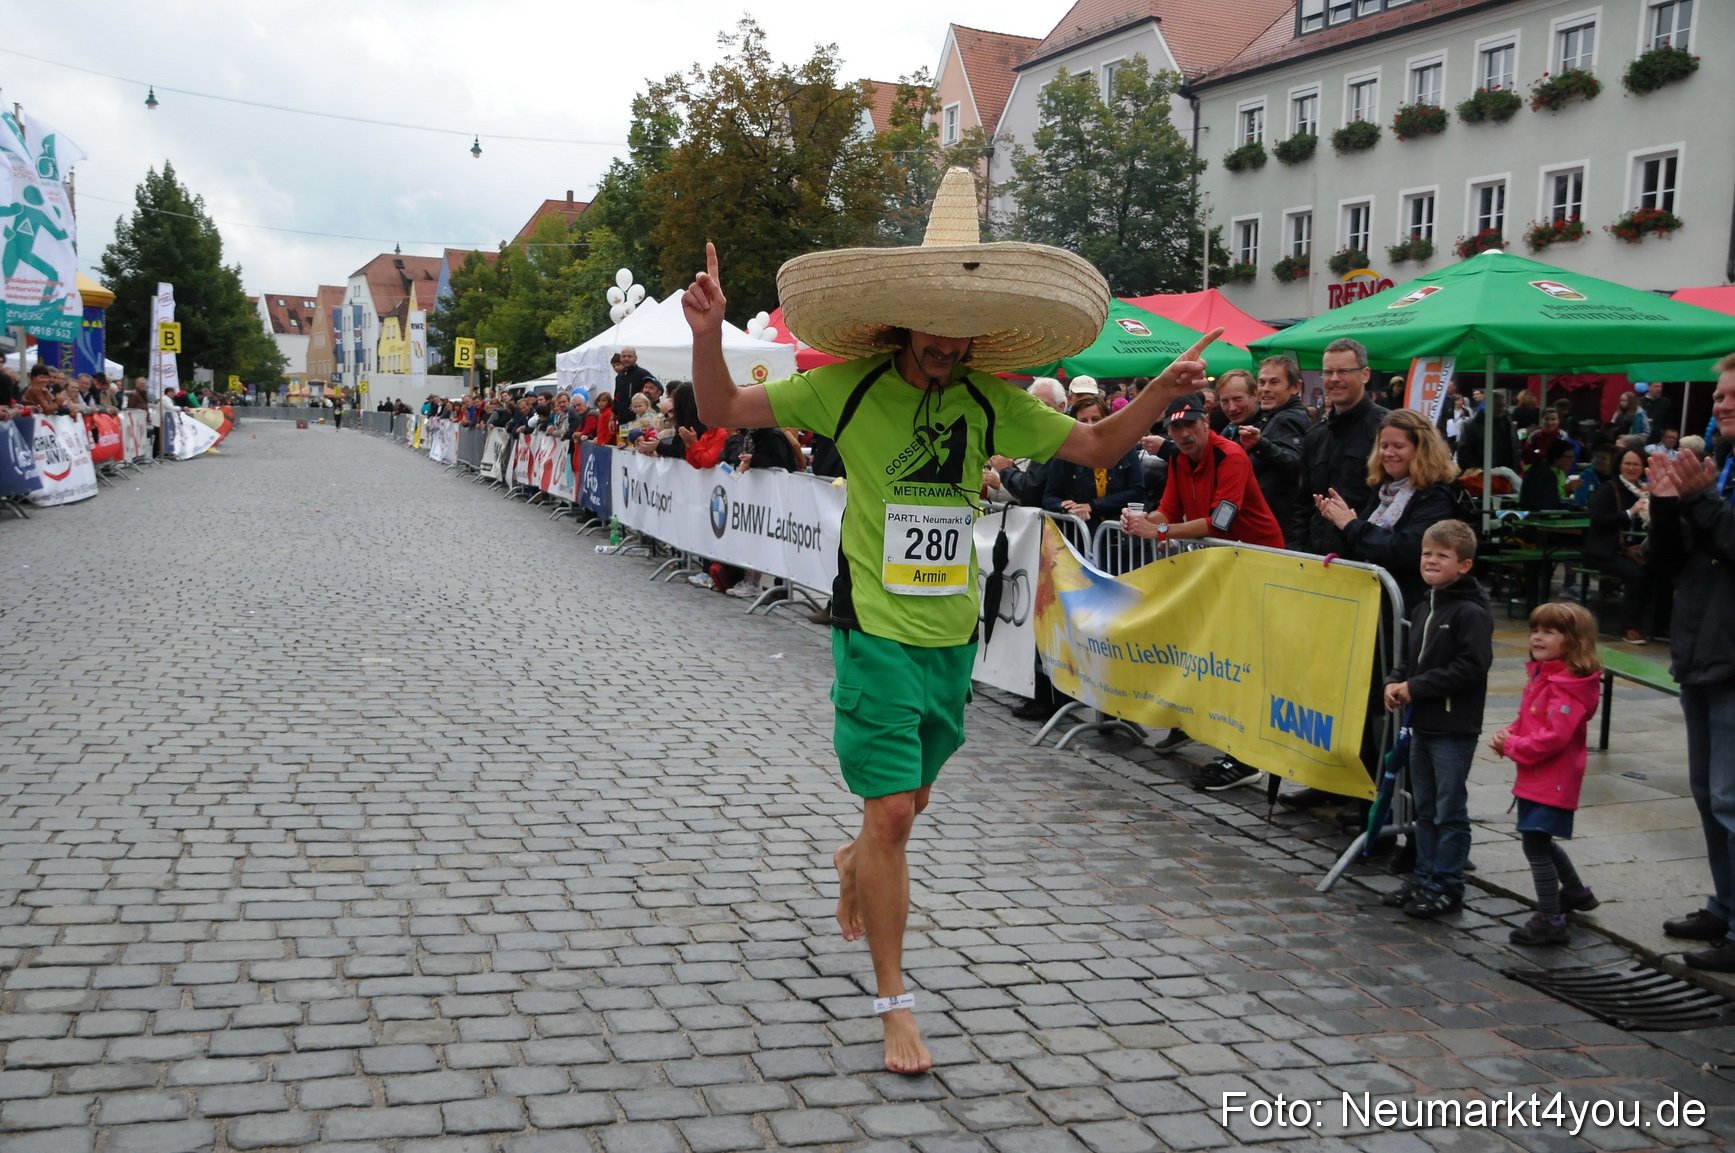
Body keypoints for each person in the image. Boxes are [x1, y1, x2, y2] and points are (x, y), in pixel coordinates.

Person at [681, 167, 1216, 1072]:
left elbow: (1093, 445)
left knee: (907, 806)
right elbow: (722, 409)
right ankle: (895, 1003)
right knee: (893, 812)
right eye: (934, 323)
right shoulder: (845, 387)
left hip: (950, 636)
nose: (947, 342)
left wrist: (1158, 394)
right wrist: (707, 337)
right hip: (873, 630)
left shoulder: (987, 398)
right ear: (902, 319)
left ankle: (856, 859)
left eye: (963, 328)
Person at [1648, 365, 1735, 969]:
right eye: (1719, 395)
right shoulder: (1720, 465)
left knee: (1730, 796)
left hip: (1730, 657)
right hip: (1703, 648)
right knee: (1708, 794)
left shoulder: (1714, 479)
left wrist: (1699, 500)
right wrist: (1664, 506)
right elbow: (1673, 562)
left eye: (1731, 396)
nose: (1720, 404)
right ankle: (1723, 906)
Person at [1381, 520, 1494, 918]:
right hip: (1421, 723)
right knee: (1424, 809)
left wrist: (1417, 687)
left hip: (1452, 727)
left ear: (1464, 565)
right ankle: (1424, 876)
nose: (1431, 560)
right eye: (1427, 553)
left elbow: (1471, 667)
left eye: (1442, 555)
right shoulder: (1425, 605)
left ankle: (1448, 884)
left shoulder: (1470, 612)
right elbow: (1412, 660)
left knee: (1449, 811)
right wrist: (1395, 681)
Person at [1492, 602, 1603, 947]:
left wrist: (1513, 745)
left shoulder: (1565, 687)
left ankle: (1551, 919)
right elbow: (1530, 719)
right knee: (1539, 838)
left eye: (1549, 632)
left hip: (1553, 778)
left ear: (1573, 641)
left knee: (1535, 843)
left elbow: (1554, 737)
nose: (1537, 637)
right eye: (1535, 630)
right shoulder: (1544, 676)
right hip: (1536, 775)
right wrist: (1509, 733)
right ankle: (1576, 892)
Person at [1313, 408, 1459, 614]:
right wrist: (1338, 521)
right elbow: (1363, 544)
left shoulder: (1435, 497)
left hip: (1410, 608)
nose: (1388, 453)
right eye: (1383, 446)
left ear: (1422, 450)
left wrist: (1351, 525)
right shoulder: (1383, 490)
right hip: (1375, 607)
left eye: (1398, 446)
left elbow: (1405, 549)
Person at [1122, 392, 1285, 549]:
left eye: (1190, 424)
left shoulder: (1231, 456)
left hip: (1259, 551)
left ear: (1206, 422)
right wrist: (1141, 521)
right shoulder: (1178, 457)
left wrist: (1160, 530)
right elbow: (1169, 511)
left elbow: (1220, 523)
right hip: (1222, 552)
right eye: (1176, 427)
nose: (1184, 434)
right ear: (1169, 432)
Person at [1290, 338, 1388, 555]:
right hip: (1316, 558)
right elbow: (1303, 505)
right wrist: (1297, 550)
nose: (1334, 379)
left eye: (1344, 371)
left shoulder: (1386, 430)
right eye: (1328, 372)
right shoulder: (1315, 435)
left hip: (1365, 558)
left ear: (1365, 375)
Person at [1583, 447, 1653, 644]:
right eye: (1627, 463)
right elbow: (1598, 520)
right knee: (1637, 575)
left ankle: (1659, 625)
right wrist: (1629, 513)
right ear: (1619, 465)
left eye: (1636, 464)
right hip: (1605, 551)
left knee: (1661, 572)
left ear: (1643, 467)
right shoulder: (1608, 488)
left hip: (1634, 550)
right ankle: (1631, 627)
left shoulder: (1645, 491)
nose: (1631, 468)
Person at [1239, 356, 1309, 548]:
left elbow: (1295, 463)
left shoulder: (1287, 418)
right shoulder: (1271, 415)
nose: (1265, 389)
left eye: (1274, 382)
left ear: (1294, 387)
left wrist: (1259, 445)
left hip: (1279, 530)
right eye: (1262, 382)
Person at [1042, 398, 1142, 524]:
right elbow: (1049, 497)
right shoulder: (1065, 452)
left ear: (1107, 419)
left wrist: (1093, 506)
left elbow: (1137, 491)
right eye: (1083, 420)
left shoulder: (1125, 447)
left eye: (1096, 419)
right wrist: (1066, 507)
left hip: (1120, 530)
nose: (1090, 425)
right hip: (1081, 531)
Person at [984, 378, 1065, 506]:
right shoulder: (1029, 437)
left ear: (1061, 407)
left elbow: (1031, 490)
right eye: (1033, 406)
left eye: (1045, 405)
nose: (1038, 411)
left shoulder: (1058, 439)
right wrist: (986, 488)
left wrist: (1003, 475)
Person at [1455, 391, 1520, 473]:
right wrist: (1477, 472)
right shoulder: (1472, 425)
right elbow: (1463, 453)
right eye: (1497, 406)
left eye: (1503, 405)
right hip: (1481, 475)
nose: (1502, 409)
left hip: (1507, 474)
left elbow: (1515, 448)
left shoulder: (1509, 425)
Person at [1519, 438, 1580, 512]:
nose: (1572, 460)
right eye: (1569, 457)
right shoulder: (1544, 474)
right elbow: (1547, 506)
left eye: (1573, 457)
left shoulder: (1551, 470)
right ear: (1556, 456)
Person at [613, 347, 658, 420]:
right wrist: (612, 417)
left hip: (640, 418)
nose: (626, 359)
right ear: (620, 358)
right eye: (624, 356)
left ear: (635, 358)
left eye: (629, 356)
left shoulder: (643, 375)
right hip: (622, 419)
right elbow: (616, 397)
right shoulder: (619, 376)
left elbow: (654, 394)